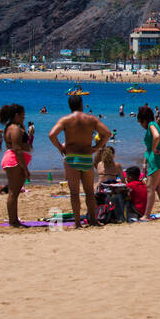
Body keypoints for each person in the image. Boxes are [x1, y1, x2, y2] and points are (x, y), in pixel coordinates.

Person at [49, 94, 111, 228]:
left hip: (72, 158)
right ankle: (93, 220)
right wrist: (96, 148)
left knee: (74, 193)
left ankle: (77, 223)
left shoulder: (66, 120)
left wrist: (61, 148)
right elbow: (107, 133)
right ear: (81, 104)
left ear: (70, 106)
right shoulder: (91, 119)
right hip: (87, 157)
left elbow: (52, 135)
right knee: (89, 192)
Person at [0, 104, 32, 227]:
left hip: (12, 159)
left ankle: (14, 220)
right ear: (17, 115)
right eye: (22, 115)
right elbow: (17, 149)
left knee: (15, 192)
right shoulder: (15, 129)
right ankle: (13, 221)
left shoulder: (11, 127)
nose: (24, 117)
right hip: (15, 161)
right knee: (14, 192)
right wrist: (25, 169)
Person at [136, 105, 160, 220]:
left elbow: (156, 136)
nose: (141, 125)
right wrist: (145, 164)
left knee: (150, 187)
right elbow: (149, 148)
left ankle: (146, 215)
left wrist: (154, 149)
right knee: (159, 187)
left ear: (144, 120)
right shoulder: (153, 125)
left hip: (158, 160)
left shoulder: (151, 125)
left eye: (140, 122)